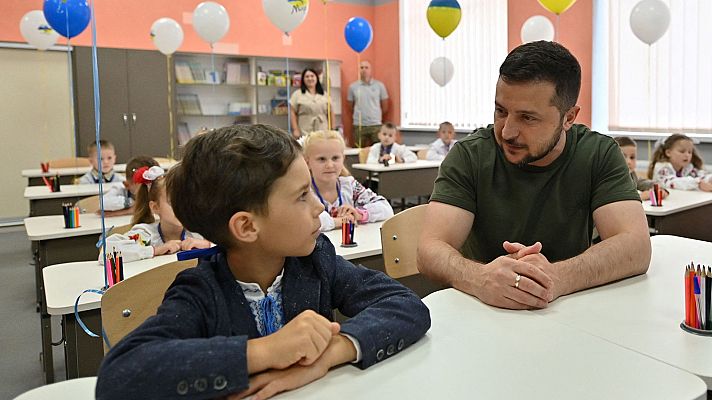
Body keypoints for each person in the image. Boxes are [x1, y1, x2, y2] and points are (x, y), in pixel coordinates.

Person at [95, 124, 430, 400]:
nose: (318, 207)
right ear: (247, 226)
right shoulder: (200, 291)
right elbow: (121, 377)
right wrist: (267, 351)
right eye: (301, 196)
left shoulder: (316, 261)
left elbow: (406, 305)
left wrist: (328, 355)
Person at [417, 41, 651, 310]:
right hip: (482, 313)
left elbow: (637, 247)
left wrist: (554, 277)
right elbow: (429, 250)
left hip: (572, 311)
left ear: (569, 117)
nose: (507, 131)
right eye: (501, 111)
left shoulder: (598, 153)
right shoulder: (470, 155)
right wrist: (480, 278)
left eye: (527, 118)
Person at [100, 166, 210, 263]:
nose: (181, 208)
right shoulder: (146, 235)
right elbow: (106, 252)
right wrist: (155, 250)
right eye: (172, 203)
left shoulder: (197, 231)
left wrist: (208, 245)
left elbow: (224, 248)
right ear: (155, 208)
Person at [303, 130, 393, 231]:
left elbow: (386, 208)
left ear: (343, 159)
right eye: (321, 159)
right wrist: (339, 221)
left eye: (335, 158)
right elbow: (304, 221)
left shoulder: (349, 185)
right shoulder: (304, 191)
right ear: (307, 162)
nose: (330, 165)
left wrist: (359, 214)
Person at [647, 134, 712, 191]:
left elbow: (701, 175)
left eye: (690, 152)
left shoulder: (688, 167)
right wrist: (697, 183)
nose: (687, 155)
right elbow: (672, 182)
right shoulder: (662, 168)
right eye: (682, 151)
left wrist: (709, 179)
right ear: (668, 153)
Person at [347, 61, 389, 147]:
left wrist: (375, 114)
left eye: (366, 67)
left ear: (371, 70)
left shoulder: (379, 86)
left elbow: (385, 106)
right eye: (361, 68)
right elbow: (350, 105)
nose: (364, 70)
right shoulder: (353, 87)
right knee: (358, 150)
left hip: (375, 124)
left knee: (378, 150)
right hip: (359, 125)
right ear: (359, 70)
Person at [613, 136, 666, 201]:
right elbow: (619, 200)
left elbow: (639, 183)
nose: (628, 162)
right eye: (623, 157)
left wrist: (655, 186)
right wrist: (640, 196)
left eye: (632, 157)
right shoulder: (611, 179)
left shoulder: (631, 174)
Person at [289, 68, 335, 139]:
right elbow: (292, 112)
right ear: (303, 79)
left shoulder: (324, 94)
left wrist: (332, 128)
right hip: (305, 129)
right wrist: (295, 129)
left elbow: (331, 112)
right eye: (307, 76)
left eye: (312, 76)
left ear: (316, 78)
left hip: (323, 128)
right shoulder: (297, 94)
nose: (310, 78)